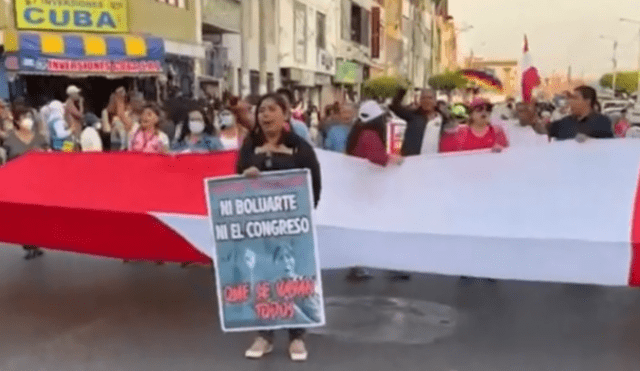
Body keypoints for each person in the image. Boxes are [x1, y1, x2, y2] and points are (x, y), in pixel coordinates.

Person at [238, 93, 321, 362]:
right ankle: (265, 334)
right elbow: (237, 177)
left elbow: (314, 184)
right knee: (263, 278)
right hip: (260, 227)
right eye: (261, 110)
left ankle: (297, 336)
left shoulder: (299, 147)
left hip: (292, 226)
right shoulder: (250, 144)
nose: (265, 115)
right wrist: (246, 175)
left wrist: (302, 218)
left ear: (285, 114)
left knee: (292, 277)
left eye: (272, 110)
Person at [344, 101, 405, 281]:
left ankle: (358, 264)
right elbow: (377, 157)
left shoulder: (356, 133)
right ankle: (383, 264)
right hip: (370, 189)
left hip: (360, 188)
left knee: (361, 228)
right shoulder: (369, 134)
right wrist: (394, 159)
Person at [3, 104, 49, 260]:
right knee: (24, 215)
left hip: (38, 181)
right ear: (17, 121)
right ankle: (28, 245)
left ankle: (37, 242)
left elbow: (48, 156)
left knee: (37, 214)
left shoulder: (39, 138)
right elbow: (7, 161)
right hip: (19, 183)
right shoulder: (10, 139)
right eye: (23, 117)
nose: (26, 120)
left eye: (28, 116)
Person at [544, 86, 614, 141]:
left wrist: (588, 140)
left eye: (575, 98)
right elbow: (545, 131)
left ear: (587, 101)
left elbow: (608, 146)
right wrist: (535, 121)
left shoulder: (602, 122)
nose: (571, 101)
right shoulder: (566, 121)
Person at [440, 98, 509, 153]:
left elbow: (507, 156)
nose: (484, 112)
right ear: (471, 114)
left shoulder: (498, 132)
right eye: (479, 109)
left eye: (488, 109)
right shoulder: (459, 132)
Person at [391, 87, 445, 156]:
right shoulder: (412, 116)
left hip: (433, 162)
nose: (426, 100)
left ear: (435, 101)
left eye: (430, 98)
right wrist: (403, 88)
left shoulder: (442, 119)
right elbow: (395, 107)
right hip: (411, 161)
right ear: (420, 100)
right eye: (423, 98)